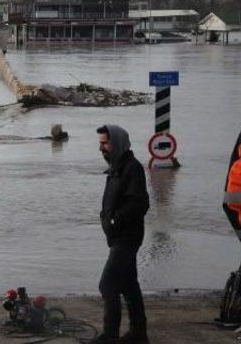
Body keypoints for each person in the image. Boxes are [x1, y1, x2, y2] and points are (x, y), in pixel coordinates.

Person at [90, 125, 150, 344]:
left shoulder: (132, 168)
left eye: (105, 143)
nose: (101, 148)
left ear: (117, 142)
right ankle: (139, 334)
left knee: (107, 285)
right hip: (117, 237)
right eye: (100, 143)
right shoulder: (116, 167)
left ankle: (110, 336)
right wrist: (105, 218)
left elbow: (140, 203)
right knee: (128, 284)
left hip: (127, 237)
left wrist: (114, 219)